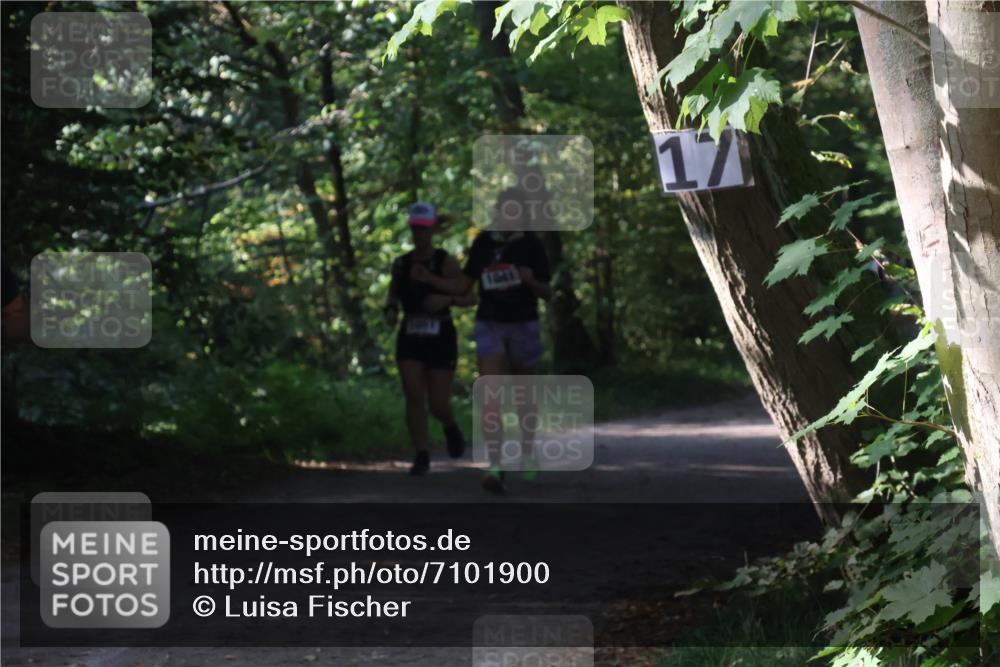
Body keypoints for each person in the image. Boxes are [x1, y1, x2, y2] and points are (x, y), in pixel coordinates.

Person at [410, 188, 552, 492]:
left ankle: (527, 451)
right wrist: (431, 281)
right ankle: (495, 465)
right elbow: (464, 285)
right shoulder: (484, 243)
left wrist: (530, 281)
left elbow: (548, 292)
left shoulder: (532, 245)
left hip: (523, 324)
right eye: (505, 210)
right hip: (490, 323)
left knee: (525, 396)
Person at [384, 203, 474, 476]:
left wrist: (446, 299)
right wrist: (390, 311)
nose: (419, 234)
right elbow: (393, 295)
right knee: (413, 394)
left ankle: (450, 425)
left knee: (437, 403)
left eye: (424, 229)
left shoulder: (445, 261)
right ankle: (421, 454)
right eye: (415, 229)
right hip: (411, 334)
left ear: (433, 229)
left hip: (440, 336)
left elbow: (470, 297)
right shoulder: (401, 264)